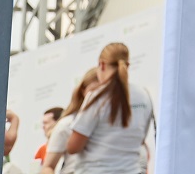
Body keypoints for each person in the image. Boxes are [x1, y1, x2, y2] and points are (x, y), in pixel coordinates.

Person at [66, 43, 154, 173]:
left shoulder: (97, 97)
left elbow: (73, 147)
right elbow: (141, 139)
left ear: (102, 65)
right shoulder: (144, 95)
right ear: (127, 65)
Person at [41, 68, 100, 174]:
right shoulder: (67, 124)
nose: (99, 96)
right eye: (94, 91)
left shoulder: (118, 121)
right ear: (83, 91)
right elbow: (48, 167)